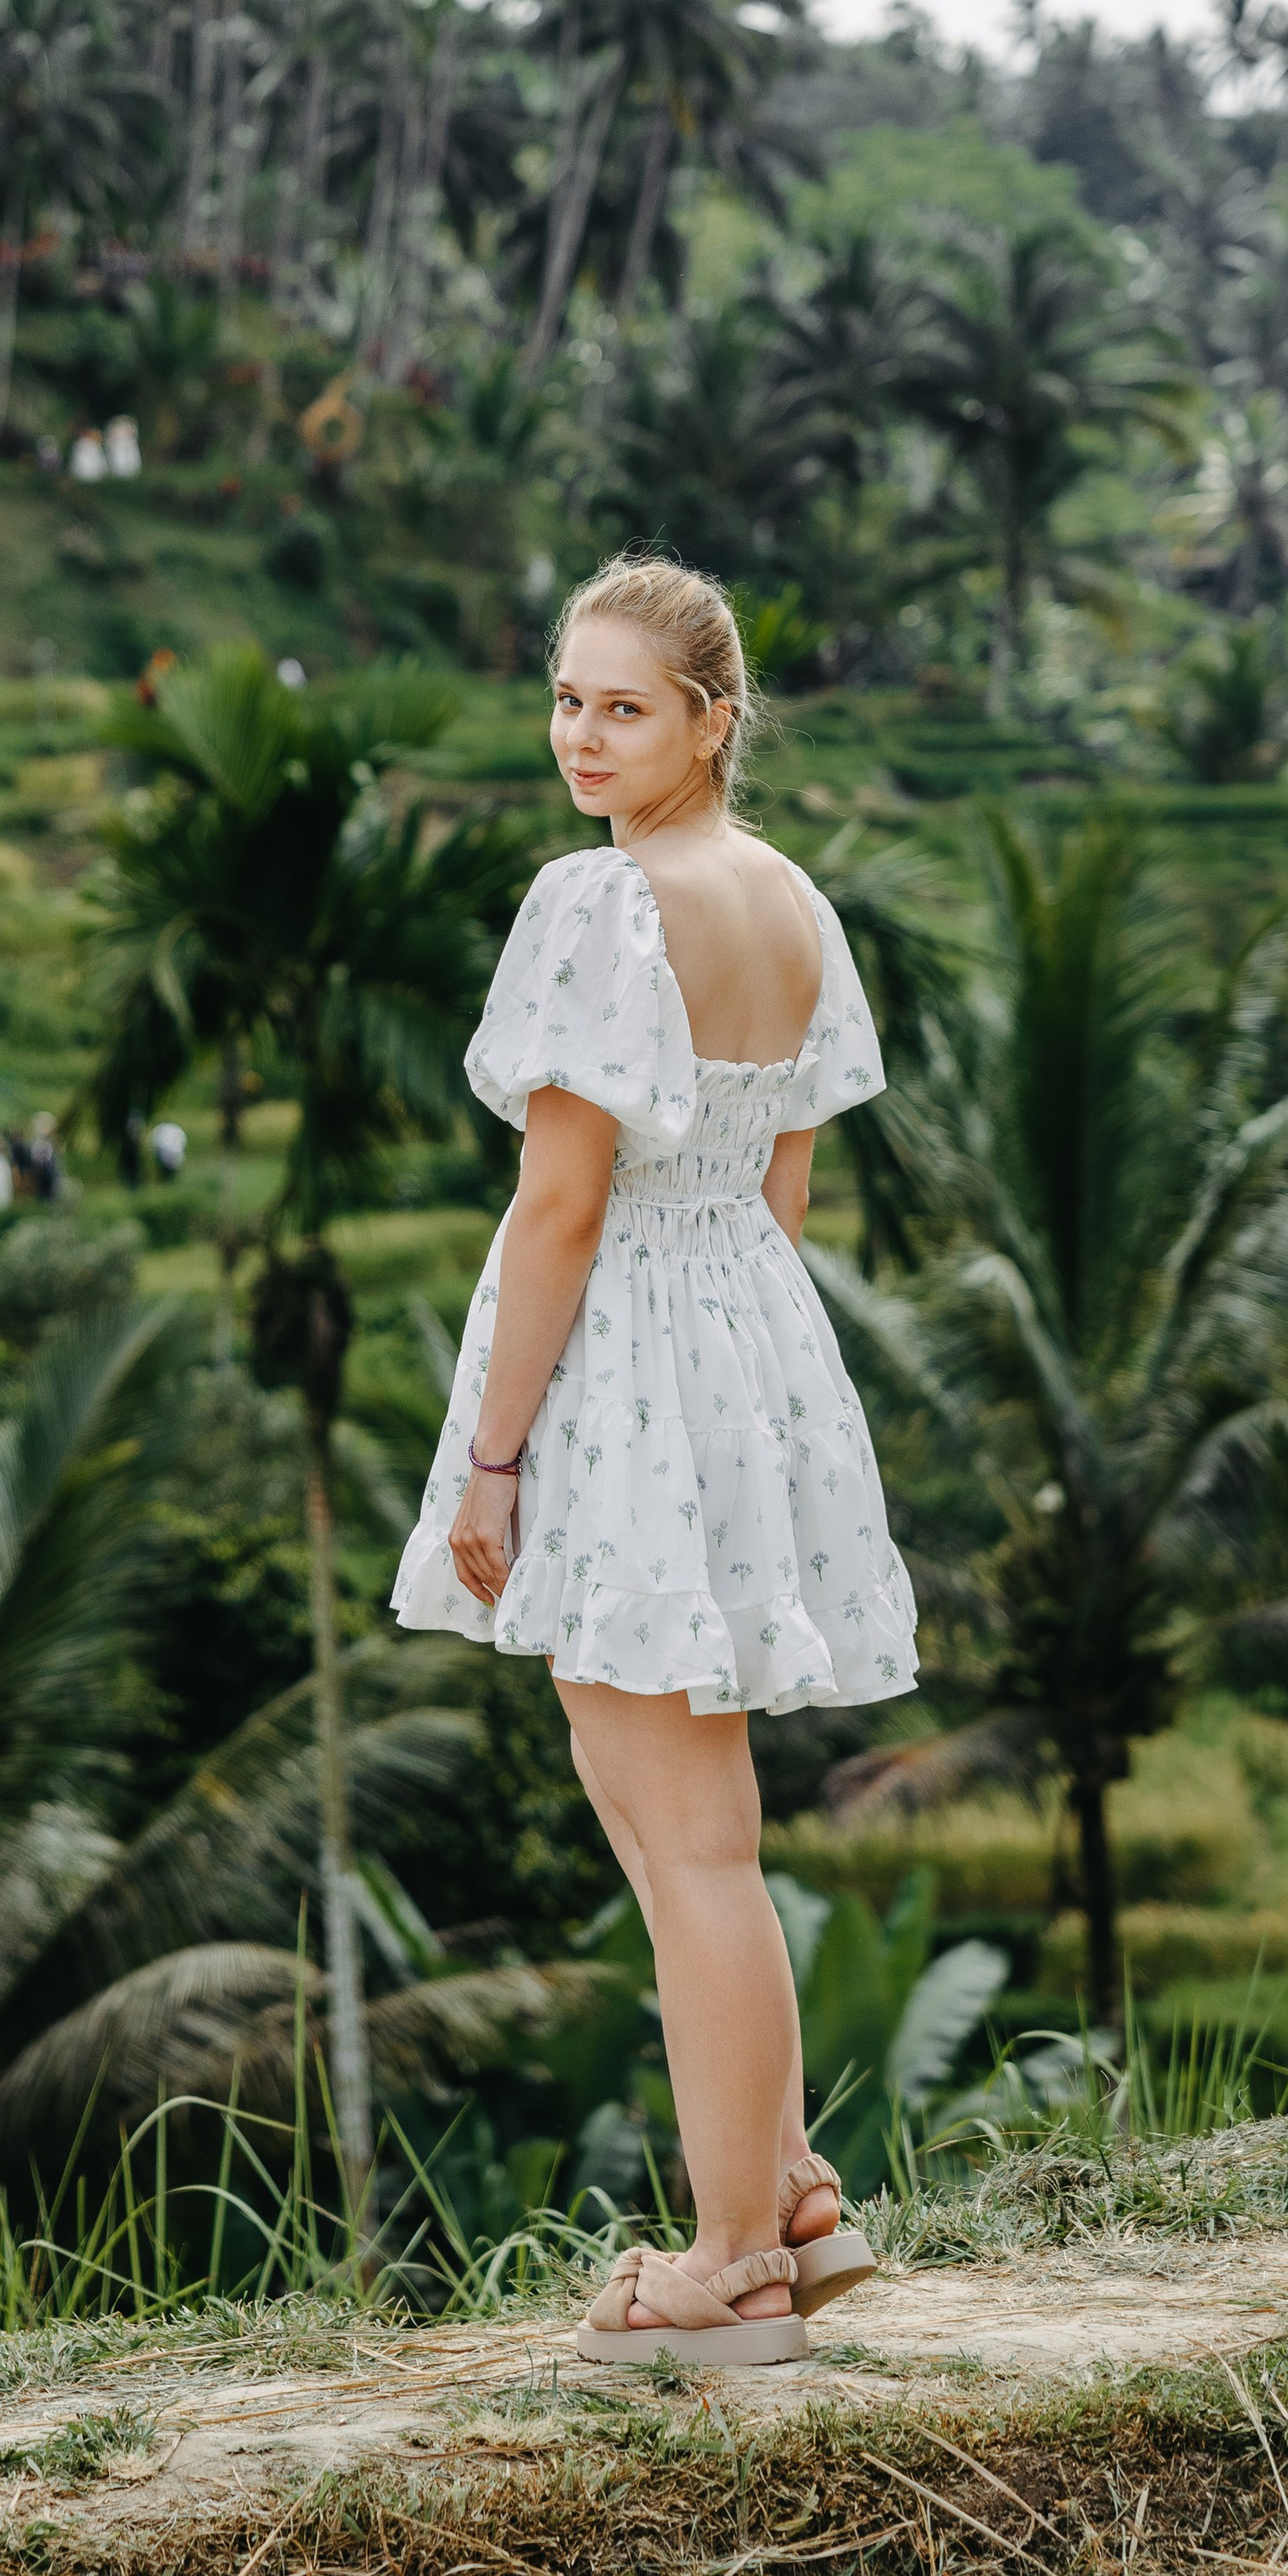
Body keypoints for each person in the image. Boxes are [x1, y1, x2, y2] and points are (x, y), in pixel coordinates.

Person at [390, 553, 915, 2371]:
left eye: (623, 704)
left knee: (684, 1837)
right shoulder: (781, 895)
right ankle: (782, 2190)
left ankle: (723, 2265)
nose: (581, 736)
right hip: (739, 1345)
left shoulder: (597, 906)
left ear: (710, 717)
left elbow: (554, 1206)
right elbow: (783, 1175)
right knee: (665, 1817)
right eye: (564, 700)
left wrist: (491, 1457)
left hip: (618, 1357)